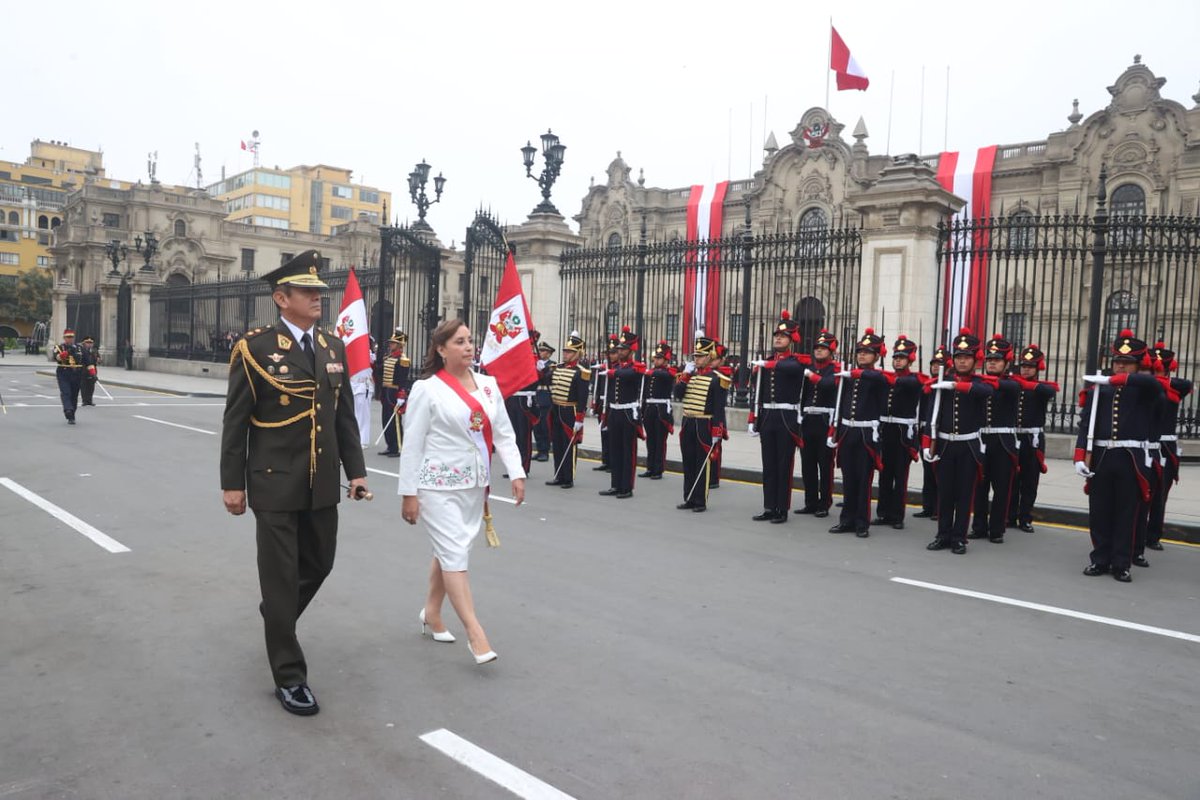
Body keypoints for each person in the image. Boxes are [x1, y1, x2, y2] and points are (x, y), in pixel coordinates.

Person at [219, 249, 369, 716]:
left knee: (319, 564)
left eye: (319, 291)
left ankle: (276, 619)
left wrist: (357, 471)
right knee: (281, 580)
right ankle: (289, 675)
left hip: (321, 481)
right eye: (307, 291)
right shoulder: (255, 348)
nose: (317, 297)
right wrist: (232, 482)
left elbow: (343, 418)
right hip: (273, 483)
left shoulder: (331, 346)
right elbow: (236, 420)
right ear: (282, 298)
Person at [398, 319, 526, 665]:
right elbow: (412, 445)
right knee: (455, 552)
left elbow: (503, 433)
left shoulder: (487, 385)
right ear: (441, 349)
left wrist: (516, 472)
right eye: (459, 341)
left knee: (450, 550)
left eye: (470, 341)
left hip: (475, 484)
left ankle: (431, 612)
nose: (469, 347)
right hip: (436, 486)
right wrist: (408, 493)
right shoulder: (428, 389)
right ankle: (476, 633)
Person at [1075, 330, 1163, 583]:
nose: (1121, 365)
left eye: (1127, 362)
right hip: (1102, 455)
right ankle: (1100, 559)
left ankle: (1121, 563)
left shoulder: (1143, 389)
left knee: (1127, 513)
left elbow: (1154, 385)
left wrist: (1118, 380)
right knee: (1099, 511)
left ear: (1137, 365)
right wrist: (1080, 456)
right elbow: (1085, 425)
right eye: (1117, 362)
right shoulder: (1099, 390)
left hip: (1130, 457)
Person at [923, 329, 995, 554]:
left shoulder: (979, 383)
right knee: (944, 493)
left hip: (968, 447)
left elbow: (986, 390)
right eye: (959, 357)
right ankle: (943, 534)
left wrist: (957, 386)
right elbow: (931, 416)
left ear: (975, 360)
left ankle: (959, 537)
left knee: (964, 494)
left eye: (966, 357)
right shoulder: (941, 382)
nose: (962, 361)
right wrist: (927, 443)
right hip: (945, 445)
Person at [749, 310, 808, 524]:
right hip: (767, 417)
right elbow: (758, 393)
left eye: (782, 336)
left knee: (784, 465)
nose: (778, 338)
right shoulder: (766, 362)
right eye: (776, 336)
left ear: (792, 340)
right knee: (769, 465)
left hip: (786, 417)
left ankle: (782, 508)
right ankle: (769, 506)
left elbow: (794, 369)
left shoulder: (795, 361)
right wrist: (753, 419)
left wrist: (770, 365)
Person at [828, 328, 888, 537]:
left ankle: (862, 522)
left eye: (867, 352)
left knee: (864, 480)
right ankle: (847, 519)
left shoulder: (877, 377)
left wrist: (856, 373)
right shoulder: (849, 376)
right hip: (848, 432)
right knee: (848, 477)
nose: (861, 355)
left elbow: (880, 382)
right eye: (860, 351)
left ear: (876, 356)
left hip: (865, 434)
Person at [970, 335, 1021, 544]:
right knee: (979, 486)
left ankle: (997, 528)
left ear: (1006, 363)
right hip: (982, 439)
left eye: (997, 360)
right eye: (990, 359)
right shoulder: (979, 382)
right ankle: (979, 526)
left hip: (1003, 442)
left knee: (1001, 488)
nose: (992, 362)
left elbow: (1010, 388)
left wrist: (988, 381)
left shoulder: (1012, 384)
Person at [674, 334, 729, 512]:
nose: (696, 359)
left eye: (700, 356)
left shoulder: (717, 378)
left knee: (701, 464)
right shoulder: (688, 375)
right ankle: (688, 497)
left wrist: (717, 432)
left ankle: (700, 501)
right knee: (688, 462)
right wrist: (686, 374)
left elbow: (719, 409)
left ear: (709, 356)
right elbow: (678, 394)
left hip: (704, 424)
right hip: (688, 422)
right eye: (695, 356)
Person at [1146, 342, 1191, 551]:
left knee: (1159, 493)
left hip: (1165, 445)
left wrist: (1159, 381)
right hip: (1145, 443)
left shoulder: (1174, 386)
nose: (1156, 370)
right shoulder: (1143, 385)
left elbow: (1187, 384)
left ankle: (1153, 535)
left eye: (1159, 366)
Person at [875, 335, 924, 529]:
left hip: (903, 434)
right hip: (886, 430)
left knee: (900, 476)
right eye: (895, 357)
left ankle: (897, 516)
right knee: (884, 474)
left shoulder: (913, 379)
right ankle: (883, 512)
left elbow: (910, 384)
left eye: (901, 358)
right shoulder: (889, 378)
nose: (897, 360)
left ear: (910, 359)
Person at [1010, 345, 1059, 533]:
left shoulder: (1042, 388)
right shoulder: (1013, 384)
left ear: (1038, 368)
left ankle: (1025, 517)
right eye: (1023, 366)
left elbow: (1050, 392)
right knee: (1012, 479)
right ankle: (1010, 515)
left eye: (1030, 366)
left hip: (1033, 438)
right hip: (1014, 436)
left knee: (1030, 480)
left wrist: (1027, 384)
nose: (1026, 369)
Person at [600, 326, 646, 498]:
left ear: (631, 350)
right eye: (619, 349)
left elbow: (629, 374)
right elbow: (610, 392)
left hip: (628, 413)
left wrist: (613, 372)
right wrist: (606, 413)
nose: (619, 352)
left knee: (628, 452)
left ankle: (626, 487)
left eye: (622, 349)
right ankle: (615, 484)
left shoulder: (636, 367)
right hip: (615, 413)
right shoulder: (617, 368)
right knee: (615, 449)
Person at [798, 329, 840, 517]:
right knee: (808, 464)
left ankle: (824, 503)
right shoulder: (810, 368)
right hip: (808, 420)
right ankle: (810, 502)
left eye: (823, 348)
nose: (819, 351)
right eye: (817, 348)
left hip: (825, 420)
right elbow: (803, 395)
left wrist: (813, 377)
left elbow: (828, 385)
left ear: (831, 351)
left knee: (825, 464)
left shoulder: (836, 369)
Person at [545, 332, 591, 489]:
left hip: (569, 411)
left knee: (568, 445)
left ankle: (568, 478)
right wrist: (542, 370)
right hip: (556, 409)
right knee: (557, 443)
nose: (565, 354)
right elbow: (546, 381)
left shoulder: (581, 372)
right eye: (565, 351)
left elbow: (583, 398)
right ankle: (559, 475)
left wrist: (579, 419)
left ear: (577, 353)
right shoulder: (557, 368)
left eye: (569, 351)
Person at [913, 345, 949, 520]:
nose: (935, 366)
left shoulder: (946, 385)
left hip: (940, 433)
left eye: (939, 364)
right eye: (933, 363)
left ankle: (939, 508)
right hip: (925, 430)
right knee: (928, 471)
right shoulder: (926, 383)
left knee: (940, 474)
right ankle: (928, 506)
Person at [505, 333, 542, 476]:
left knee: (524, 435)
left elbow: (541, 380)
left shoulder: (534, 360)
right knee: (512, 436)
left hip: (525, 400)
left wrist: (541, 370)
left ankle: (523, 467)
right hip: (512, 398)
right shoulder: (513, 359)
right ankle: (513, 467)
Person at [640, 341, 676, 480]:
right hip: (650, 408)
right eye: (655, 358)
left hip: (661, 410)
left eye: (659, 358)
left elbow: (666, 376)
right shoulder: (652, 372)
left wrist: (650, 371)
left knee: (660, 440)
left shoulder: (668, 371)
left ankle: (658, 469)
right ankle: (650, 467)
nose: (655, 360)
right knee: (651, 440)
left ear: (666, 360)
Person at [377, 331, 410, 457]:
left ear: (400, 345)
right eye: (391, 343)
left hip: (395, 392)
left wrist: (402, 395)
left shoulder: (403, 360)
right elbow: (380, 372)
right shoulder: (388, 357)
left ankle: (397, 447)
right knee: (386, 419)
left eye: (393, 343)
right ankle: (390, 445)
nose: (390, 345)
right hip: (386, 392)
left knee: (395, 421)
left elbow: (403, 379)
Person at [592, 335, 620, 471]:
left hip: (611, 405)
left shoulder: (618, 368)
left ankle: (613, 462)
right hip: (602, 403)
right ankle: (605, 460)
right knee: (604, 433)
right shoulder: (604, 367)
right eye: (609, 353)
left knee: (612, 435)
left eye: (613, 353)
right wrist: (595, 403)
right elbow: (598, 387)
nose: (611, 356)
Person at [52, 328, 84, 425]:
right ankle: (68, 410)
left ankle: (72, 414)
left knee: (74, 395)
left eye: (72, 337)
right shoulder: (59, 347)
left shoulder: (79, 348)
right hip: (64, 372)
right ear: (64, 338)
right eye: (68, 337)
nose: (70, 339)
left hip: (76, 373)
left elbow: (86, 360)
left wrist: (92, 373)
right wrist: (63, 355)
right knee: (66, 392)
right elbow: (56, 357)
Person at [533, 341, 555, 461]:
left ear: (549, 353)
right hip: (536, 395)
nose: (540, 353)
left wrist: (544, 369)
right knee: (536, 425)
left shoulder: (553, 365)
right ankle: (539, 449)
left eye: (543, 351)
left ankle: (545, 451)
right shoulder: (535, 364)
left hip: (546, 396)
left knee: (544, 425)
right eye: (540, 350)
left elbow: (550, 378)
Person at [79, 336, 99, 406]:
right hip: (84, 370)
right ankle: (84, 401)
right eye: (87, 343)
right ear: (84, 343)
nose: (89, 344)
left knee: (91, 386)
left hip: (93, 369)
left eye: (91, 343)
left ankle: (90, 400)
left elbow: (97, 359)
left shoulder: (95, 351)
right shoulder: (81, 350)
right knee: (84, 386)